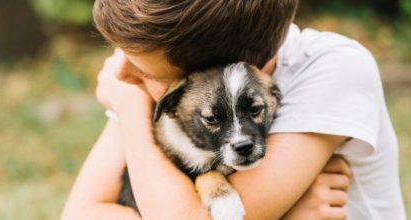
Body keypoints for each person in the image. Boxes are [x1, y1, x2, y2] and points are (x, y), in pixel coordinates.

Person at [61, 0, 406, 219]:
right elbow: (80, 214)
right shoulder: (167, 87)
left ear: (214, 73)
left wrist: (127, 103)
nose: (119, 76)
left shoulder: (332, 67)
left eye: (143, 72)